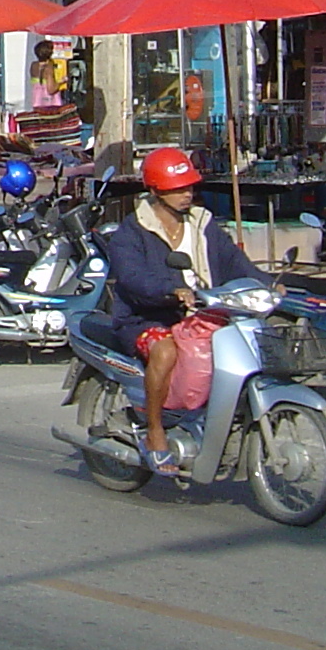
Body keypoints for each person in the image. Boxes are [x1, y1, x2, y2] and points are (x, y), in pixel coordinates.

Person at [102, 147, 264, 474]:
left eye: (189, 187)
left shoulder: (203, 224)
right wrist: (169, 291)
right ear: (155, 191)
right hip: (146, 317)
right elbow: (132, 278)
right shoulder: (131, 233)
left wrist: (266, 283)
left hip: (204, 314)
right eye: (178, 188)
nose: (186, 194)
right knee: (165, 352)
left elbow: (234, 262)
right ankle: (155, 431)